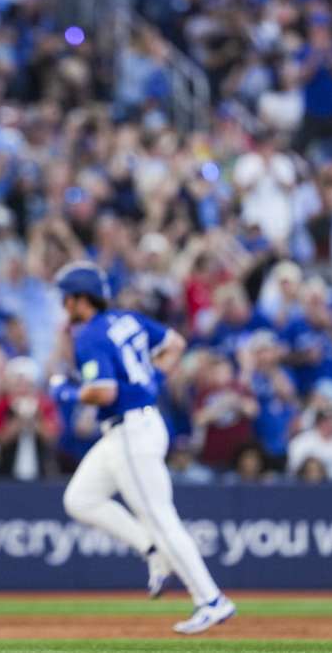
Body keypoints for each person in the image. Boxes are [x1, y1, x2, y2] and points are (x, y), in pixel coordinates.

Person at [54, 261, 235, 634]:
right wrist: (149, 379)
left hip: (133, 430)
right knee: (81, 499)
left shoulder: (88, 335)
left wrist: (65, 391)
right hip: (130, 427)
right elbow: (175, 345)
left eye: (67, 297)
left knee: (161, 517)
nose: (64, 304)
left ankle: (211, 600)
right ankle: (152, 551)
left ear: (80, 298)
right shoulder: (127, 319)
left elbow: (104, 391)